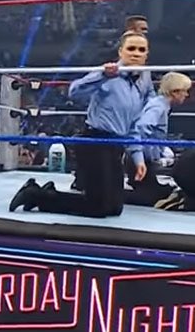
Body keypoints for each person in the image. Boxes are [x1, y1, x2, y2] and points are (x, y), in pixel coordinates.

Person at [9, 31, 153, 217]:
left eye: (141, 50)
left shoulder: (140, 83)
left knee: (115, 208)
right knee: (98, 208)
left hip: (116, 146)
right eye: (131, 48)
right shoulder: (108, 75)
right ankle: (35, 195)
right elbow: (74, 91)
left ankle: (47, 193)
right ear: (120, 52)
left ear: (146, 54)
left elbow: (133, 125)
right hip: (95, 142)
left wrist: (138, 158)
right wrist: (102, 75)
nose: (136, 54)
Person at [125, 72, 191, 205]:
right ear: (175, 92)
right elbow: (142, 127)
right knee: (150, 198)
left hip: (144, 157)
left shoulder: (162, 104)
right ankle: (111, 195)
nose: (186, 95)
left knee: (164, 191)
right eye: (185, 91)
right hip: (139, 159)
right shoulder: (158, 106)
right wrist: (143, 152)